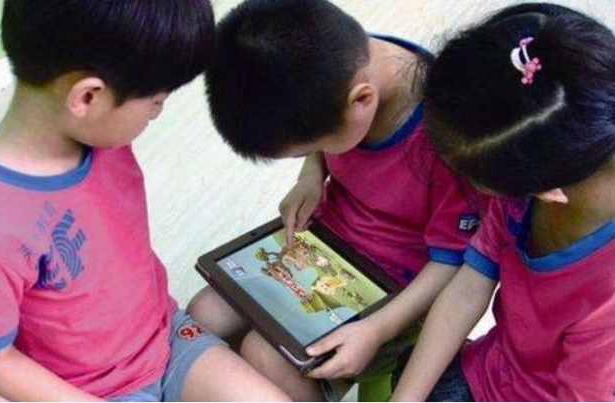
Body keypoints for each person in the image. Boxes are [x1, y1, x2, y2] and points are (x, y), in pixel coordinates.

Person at [0, 0, 290, 401]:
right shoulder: (3, 221)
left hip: (166, 337)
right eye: (155, 102)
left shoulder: (103, 137)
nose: (158, 113)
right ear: (88, 98)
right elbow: (0, 361)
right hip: (91, 390)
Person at [192, 0, 487, 400]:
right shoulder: (339, 59)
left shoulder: (448, 141)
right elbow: (322, 127)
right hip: (324, 244)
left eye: (310, 148)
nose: (317, 153)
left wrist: (376, 329)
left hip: (396, 293)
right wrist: (311, 172)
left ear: (361, 101)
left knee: (265, 356)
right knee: (204, 315)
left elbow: (453, 264)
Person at [391, 3, 615, 401]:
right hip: (498, 369)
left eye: (469, 178)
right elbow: (468, 287)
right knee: (409, 370)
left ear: (547, 189)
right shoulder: (539, 153)